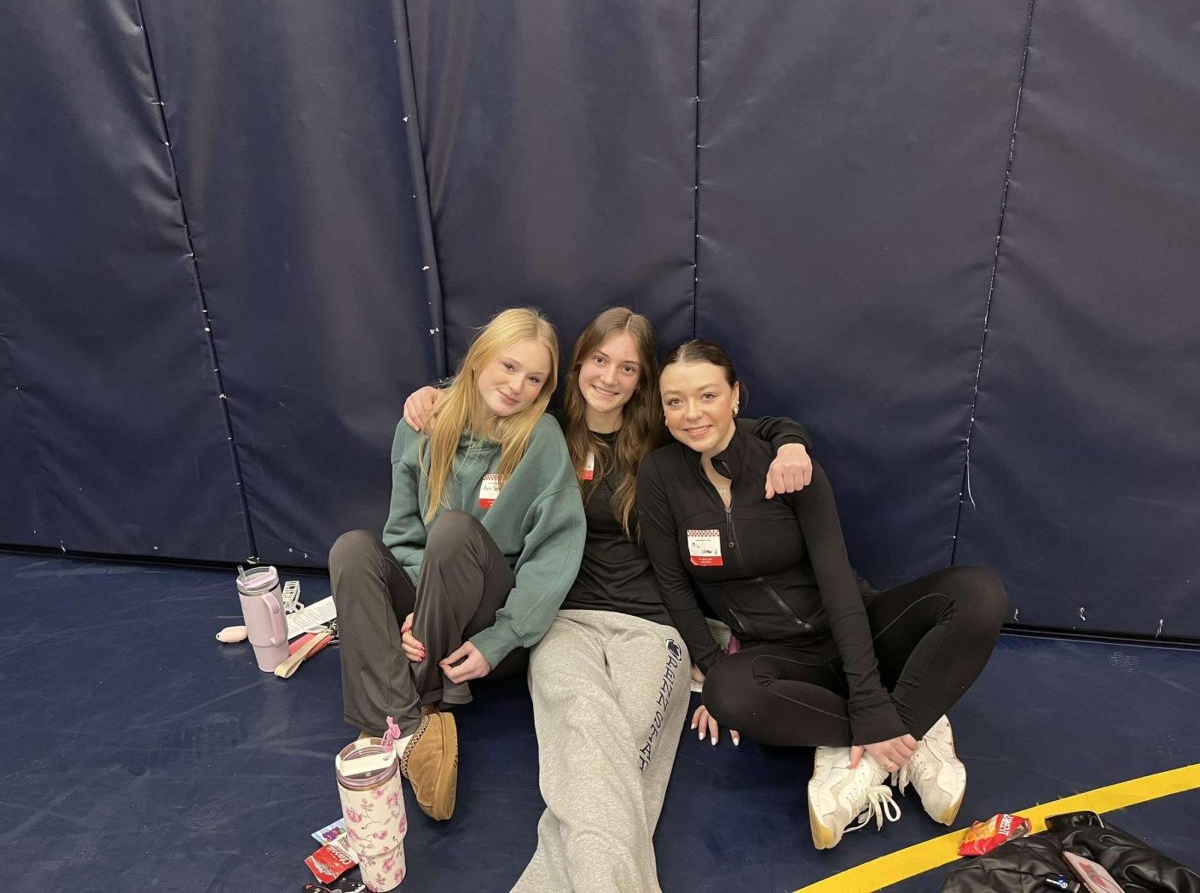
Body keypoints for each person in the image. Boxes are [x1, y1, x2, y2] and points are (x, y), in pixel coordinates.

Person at [403, 307, 814, 890]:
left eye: (628, 367)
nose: (610, 376)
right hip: (562, 620)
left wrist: (793, 442)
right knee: (584, 732)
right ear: (577, 365)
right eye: (600, 359)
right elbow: (478, 399)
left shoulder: (663, 440)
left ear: (644, 379)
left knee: (614, 761)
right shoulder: (543, 424)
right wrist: (430, 396)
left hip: (653, 626)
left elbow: (742, 425)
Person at [637, 340, 1008, 850]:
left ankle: (873, 746)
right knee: (727, 694)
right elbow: (673, 582)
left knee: (978, 595)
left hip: (856, 626)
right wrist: (707, 662)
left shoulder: (787, 463)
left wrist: (869, 696)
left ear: (736, 396)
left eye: (706, 395)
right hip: (778, 655)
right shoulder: (660, 475)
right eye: (674, 401)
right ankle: (909, 732)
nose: (691, 413)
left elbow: (837, 583)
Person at [329, 307, 587, 822]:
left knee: (453, 530)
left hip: (489, 633)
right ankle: (411, 724)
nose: (518, 386)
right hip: (429, 618)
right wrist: (414, 611)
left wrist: (500, 639)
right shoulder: (423, 423)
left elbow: (554, 556)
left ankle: (395, 711)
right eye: (509, 367)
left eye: (535, 378)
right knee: (350, 550)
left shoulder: (542, 439)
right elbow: (400, 536)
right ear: (479, 360)